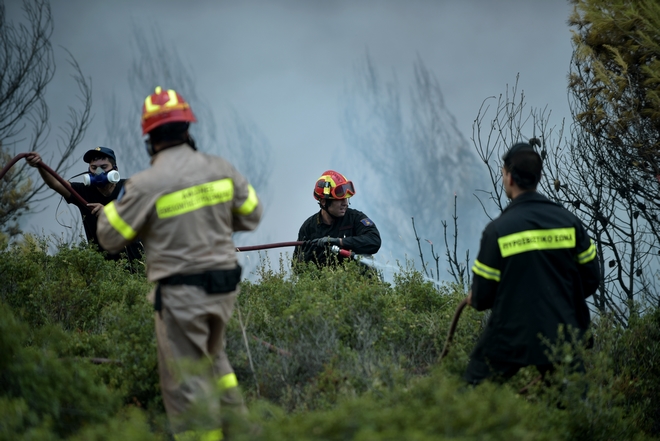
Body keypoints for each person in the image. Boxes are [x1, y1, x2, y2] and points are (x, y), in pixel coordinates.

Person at [96, 86, 262, 440]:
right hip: (224, 291)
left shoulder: (145, 184)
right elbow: (251, 215)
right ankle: (240, 431)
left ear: (149, 140)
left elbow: (109, 238)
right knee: (216, 362)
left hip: (181, 297)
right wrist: (210, 219)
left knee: (186, 387)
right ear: (188, 130)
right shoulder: (221, 168)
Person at [464, 140, 600, 385]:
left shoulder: (497, 231)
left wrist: (477, 296)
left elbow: (482, 296)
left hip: (511, 334)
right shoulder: (570, 222)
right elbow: (591, 278)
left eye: (504, 173)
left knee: (474, 390)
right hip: (562, 330)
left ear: (510, 178)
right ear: (537, 177)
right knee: (573, 405)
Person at [25, 147, 143, 262]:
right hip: (103, 268)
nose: (98, 172)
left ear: (114, 170)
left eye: (103, 167)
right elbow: (55, 183)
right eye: (94, 167)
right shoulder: (83, 192)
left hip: (138, 263)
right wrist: (40, 165)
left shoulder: (130, 188)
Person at [293, 170, 381, 269]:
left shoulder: (355, 218)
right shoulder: (309, 227)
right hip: (325, 283)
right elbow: (296, 267)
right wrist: (306, 259)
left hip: (358, 282)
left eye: (347, 198)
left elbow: (374, 241)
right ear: (323, 202)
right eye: (340, 199)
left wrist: (340, 242)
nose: (345, 203)